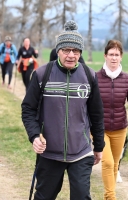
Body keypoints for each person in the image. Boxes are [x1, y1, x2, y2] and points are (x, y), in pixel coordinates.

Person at [21, 20, 105, 200]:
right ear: (58, 50)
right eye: (66, 50)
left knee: (82, 196)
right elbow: (28, 108)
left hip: (81, 151)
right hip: (49, 151)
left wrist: (98, 145)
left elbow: (96, 114)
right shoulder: (42, 74)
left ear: (80, 52)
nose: (71, 55)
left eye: (75, 51)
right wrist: (35, 135)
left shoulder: (89, 76)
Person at [96, 39, 128, 200]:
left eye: (117, 55)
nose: (114, 58)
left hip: (120, 129)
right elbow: (86, 103)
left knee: (115, 164)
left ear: (121, 57)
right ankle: (110, 197)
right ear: (105, 56)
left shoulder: (127, 79)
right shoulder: (95, 78)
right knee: (108, 163)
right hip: (99, 129)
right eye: (111, 54)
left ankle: (110, 194)